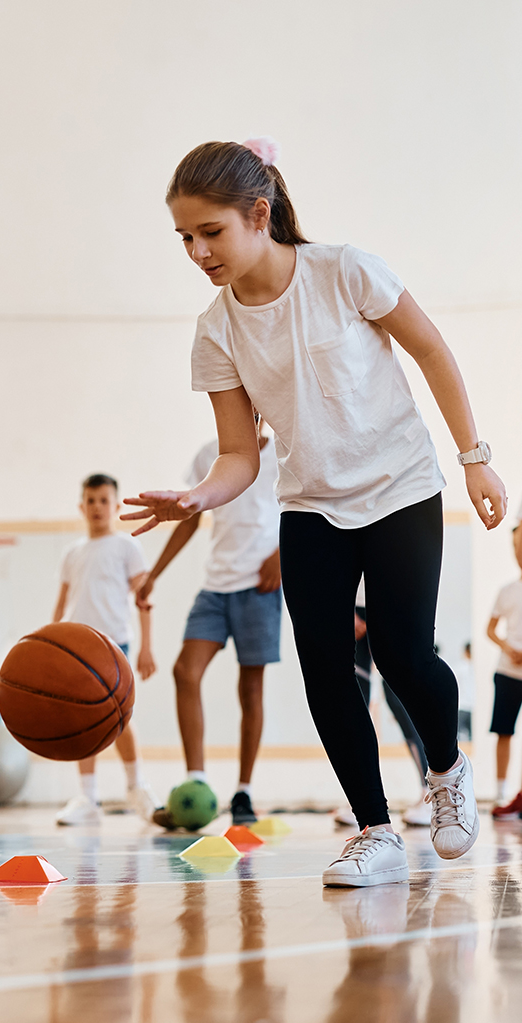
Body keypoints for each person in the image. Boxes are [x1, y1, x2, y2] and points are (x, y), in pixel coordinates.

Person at [122, 138, 507, 887]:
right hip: (310, 506)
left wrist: (474, 457)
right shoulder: (216, 329)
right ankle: (374, 832)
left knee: (401, 654)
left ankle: (448, 765)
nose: (198, 252)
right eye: (185, 239)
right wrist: (197, 496)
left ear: (258, 214)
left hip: (400, 487)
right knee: (327, 670)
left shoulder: (343, 271)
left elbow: (431, 351)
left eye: (211, 233)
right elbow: (241, 453)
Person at [136, 416, 281, 827]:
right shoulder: (208, 456)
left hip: (260, 586)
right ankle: (196, 784)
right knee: (185, 671)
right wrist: (153, 574)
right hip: (215, 587)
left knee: (251, 690)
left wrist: (283, 555)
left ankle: (243, 791)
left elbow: (308, 509)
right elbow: (190, 517)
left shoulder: (286, 455)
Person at [53, 473, 158, 825]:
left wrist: (146, 648)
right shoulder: (72, 553)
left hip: (114, 644)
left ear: (115, 506)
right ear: (82, 507)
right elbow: (62, 602)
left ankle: (136, 787)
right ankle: (87, 795)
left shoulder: (126, 547)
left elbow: (143, 599)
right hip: (76, 646)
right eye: (91, 500)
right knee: (83, 719)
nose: (97, 507)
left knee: (118, 717)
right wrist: (51, 644)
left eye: (104, 500)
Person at [331, 585, 430, 828]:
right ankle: (361, 799)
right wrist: (345, 608)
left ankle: (430, 793)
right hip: (354, 606)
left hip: (389, 601)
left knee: (401, 701)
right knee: (356, 703)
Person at [488, 522, 522, 816]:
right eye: (514, 547)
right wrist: (507, 647)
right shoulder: (507, 591)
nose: (518, 552)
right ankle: (500, 793)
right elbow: (491, 630)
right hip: (507, 673)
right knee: (503, 731)